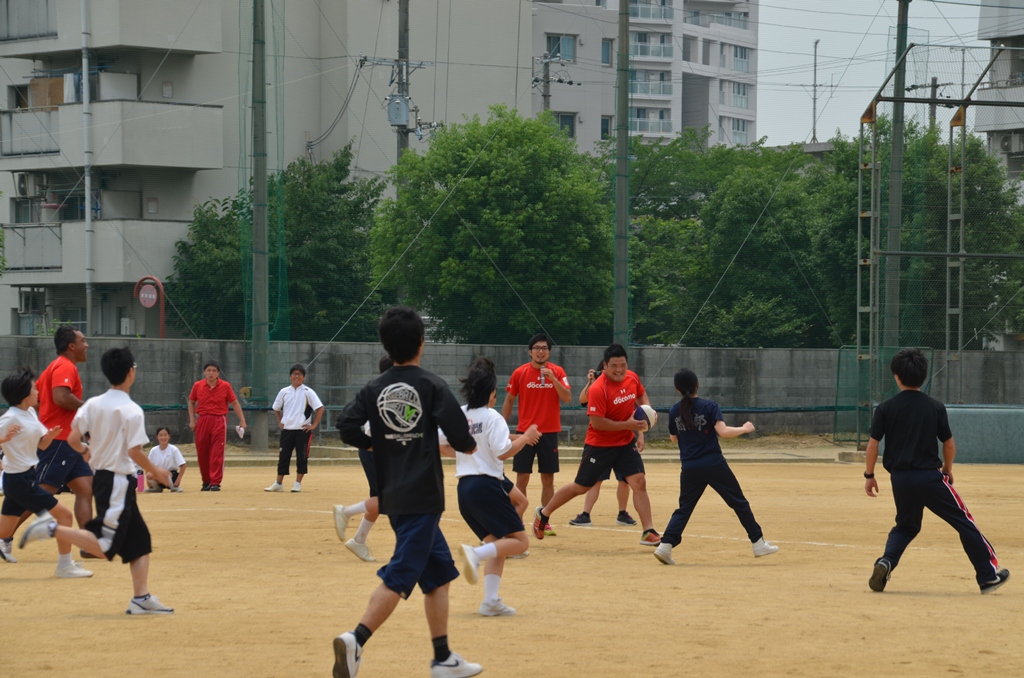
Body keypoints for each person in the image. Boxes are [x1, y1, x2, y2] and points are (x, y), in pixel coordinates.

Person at [334, 306, 482, 678]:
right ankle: (356, 639)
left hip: (394, 496)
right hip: (424, 497)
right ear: (421, 342)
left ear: (386, 344)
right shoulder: (431, 385)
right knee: (401, 573)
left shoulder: (374, 388)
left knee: (438, 574)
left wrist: (377, 444)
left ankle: (443, 657)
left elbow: (346, 426)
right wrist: (468, 448)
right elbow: (462, 436)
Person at [19, 347, 176, 614]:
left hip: (106, 478)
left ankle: (141, 598)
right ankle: (49, 529)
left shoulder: (92, 404)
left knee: (140, 540)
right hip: (116, 482)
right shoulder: (132, 410)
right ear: (130, 373)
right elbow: (134, 451)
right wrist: (159, 473)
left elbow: (72, 439)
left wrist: (86, 451)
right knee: (106, 546)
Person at [863, 347, 1009, 594]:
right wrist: (947, 468)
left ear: (896, 376)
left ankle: (886, 561)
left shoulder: (885, 407)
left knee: (906, 526)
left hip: (900, 479)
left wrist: (869, 476)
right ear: (924, 376)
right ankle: (987, 576)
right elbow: (948, 444)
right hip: (929, 478)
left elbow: (873, 444)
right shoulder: (935, 406)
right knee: (964, 522)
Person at [532, 343, 661, 546]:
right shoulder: (599, 388)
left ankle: (648, 531)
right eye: (614, 366)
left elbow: (641, 393)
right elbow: (597, 423)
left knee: (639, 483)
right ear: (605, 365)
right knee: (581, 487)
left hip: (625, 442)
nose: (619, 370)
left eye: (623, 365)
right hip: (599, 445)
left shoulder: (632, 377)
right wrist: (627, 424)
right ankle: (544, 513)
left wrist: (648, 411)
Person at [440, 362, 540, 617]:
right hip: (486, 486)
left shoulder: (459, 414)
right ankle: (475, 554)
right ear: (492, 392)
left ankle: (490, 601)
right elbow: (503, 451)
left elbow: (440, 444)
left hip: (464, 489)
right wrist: (526, 438)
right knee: (519, 542)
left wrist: (466, 456)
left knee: (499, 544)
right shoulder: (493, 417)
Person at [653, 368, 779, 565]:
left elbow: (673, 439)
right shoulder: (709, 406)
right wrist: (745, 429)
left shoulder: (673, 411)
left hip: (689, 467)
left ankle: (665, 545)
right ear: (697, 385)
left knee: (684, 508)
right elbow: (724, 432)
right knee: (739, 502)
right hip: (713, 463)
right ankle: (757, 542)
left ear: (677, 389)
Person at [0, 368, 91, 577]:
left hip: (24, 477)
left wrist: (49, 436)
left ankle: (65, 565)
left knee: (4, 532)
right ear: (23, 394)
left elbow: (41, 446)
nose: (38, 391)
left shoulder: (30, 412)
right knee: (65, 515)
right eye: (34, 388)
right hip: (19, 480)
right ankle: (65, 566)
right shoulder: (10, 418)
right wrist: (3, 440)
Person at [501, 333, 571, 536]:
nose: (541, 351)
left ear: (549, 351)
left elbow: (567, 397)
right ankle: (518, 520)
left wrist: (553, 379)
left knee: (547, 478)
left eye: (545, 348)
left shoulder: (557, 371)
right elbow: (509, 400)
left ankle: (544, 520)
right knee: (522, 477)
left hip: (549, 432)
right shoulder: (520, 373)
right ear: (530, 351)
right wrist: (501, 426)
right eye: (537, 348)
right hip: (525, 433)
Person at [35, 326, 93, 535]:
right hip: (60, 440)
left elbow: (37, 400)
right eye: (83, 341)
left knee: (85, 489)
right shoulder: (65, 366)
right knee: (42, 493)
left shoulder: (52, 367)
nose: (86, 345)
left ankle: (88, 541)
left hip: (67, 441)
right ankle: (4, 534)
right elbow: (61, 397)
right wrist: (88, 408)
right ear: (71, 346)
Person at [334, 355, 392, 562]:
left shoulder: (378, 389)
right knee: (390, 499)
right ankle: (346, 512)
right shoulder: (387, 392)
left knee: (379, 499)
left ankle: (359, 540)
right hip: (374, 450)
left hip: (373, 449)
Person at [569, 360, 635, 528]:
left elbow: (636, 414)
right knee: (595, 479)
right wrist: (591, 381)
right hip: (601, 442)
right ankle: (585, 514)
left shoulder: (624, 386)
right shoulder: (598, 387)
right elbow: (583, 400)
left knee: (625, 479)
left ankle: (622, 513)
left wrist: (639, 435)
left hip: (622, 440)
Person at [188, 360, 247, 492]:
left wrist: (242, 420)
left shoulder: (225, 386)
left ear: (218, 373)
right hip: (202, 420)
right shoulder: (198, 385)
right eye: (208, 370)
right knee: (202, 451)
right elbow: (191, 402)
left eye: (214, 370)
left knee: (217, 452)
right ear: (204, 372)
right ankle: (206, 481)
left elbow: (235, 403)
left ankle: (215, 482)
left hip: (219, 420)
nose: (211, 373)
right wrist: (192, 420)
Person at [266, 364, 324, 493]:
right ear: (290, 376)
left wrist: (313, 425)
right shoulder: (284, 391)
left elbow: (320, 408)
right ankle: (278, 483)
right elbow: (276, 408)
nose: (296, 376)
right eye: (294, 374)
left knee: (302, 457)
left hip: (302, 431)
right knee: (283, 456)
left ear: (303, 377)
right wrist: (280, 422)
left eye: (299, 374)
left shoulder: (308, 392)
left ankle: (297, 483)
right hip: (287, 430)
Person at [144, 427, 187, 493]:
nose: (163, 437)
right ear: (157, 437)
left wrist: (178, 481)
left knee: (156, 470)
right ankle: (157, 488)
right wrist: (149, 482)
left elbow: (183, 465)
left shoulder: (173, 449)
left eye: (165, 435)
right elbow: (147, 466)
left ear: (169, 436)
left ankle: (173, 487)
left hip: (171, 476)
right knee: (149, 474)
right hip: (158, 477)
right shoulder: (153, 450)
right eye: (160, 435)